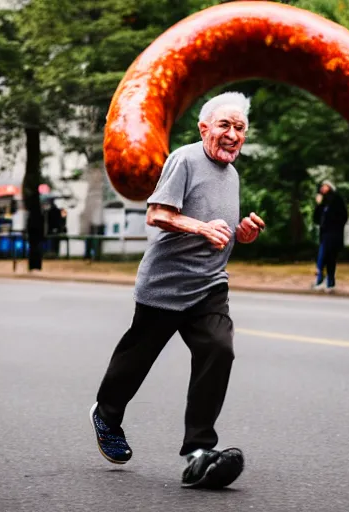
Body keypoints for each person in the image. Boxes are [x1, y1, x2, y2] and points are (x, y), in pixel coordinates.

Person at [90, 92, 265, 489]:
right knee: (136, 360)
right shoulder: (184, 160)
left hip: (209, 285)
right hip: (164, 287)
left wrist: (243, 234)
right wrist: (200, 227)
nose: (232, 134)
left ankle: (199, 452)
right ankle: (107, 414)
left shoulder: (232, 174)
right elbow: (157, 214)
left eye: (239, 128)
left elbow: (218, 228)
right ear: (204, 128)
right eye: (224, 125)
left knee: (219, 350)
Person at [312, 180, 348, 291]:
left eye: (325, 186)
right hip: (325, 233)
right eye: (322, 186)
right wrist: (318, 205)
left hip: (334, 233)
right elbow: (316, 219)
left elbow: (343, 216)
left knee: (330, 258)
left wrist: (336, 225)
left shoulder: (337, 200)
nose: (323, 188)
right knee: (323, 256)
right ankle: (321, 279)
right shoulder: (322, 203)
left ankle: (329, 282)